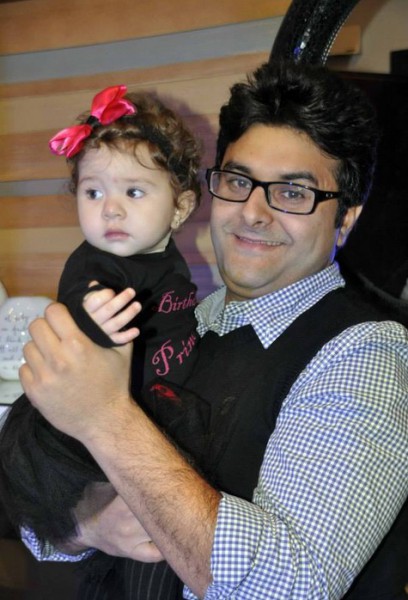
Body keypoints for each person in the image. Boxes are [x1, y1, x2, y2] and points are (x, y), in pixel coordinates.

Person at [18, 60, 408, 599]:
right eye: (238, 181)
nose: (253, 213)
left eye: (293, 193)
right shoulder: (182, 320)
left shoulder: (368, 353)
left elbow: (292, 588)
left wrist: (106, 419)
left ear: (345, 218)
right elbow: (40, 523)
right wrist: (87, 528)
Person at [0, 85, 210, 599]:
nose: (110, 210)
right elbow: (83, 299)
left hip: (149, 412)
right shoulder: (96, 267)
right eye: (92, 193)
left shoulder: (167, 261)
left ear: (180, 208)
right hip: (86, 433)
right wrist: (92, 312)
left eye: (133, 193)